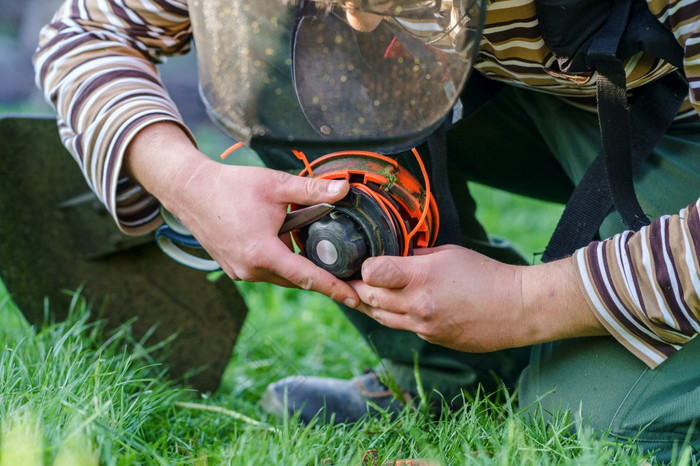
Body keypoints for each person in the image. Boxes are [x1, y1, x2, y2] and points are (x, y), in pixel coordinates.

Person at [34, 0, 700, 460]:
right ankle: (450, 369)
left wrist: (527, 304)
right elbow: (82, 34)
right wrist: (189, 182)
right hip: (524, 85)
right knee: (285, 60)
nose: (351, 16)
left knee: (601, 426)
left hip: (680, 115)